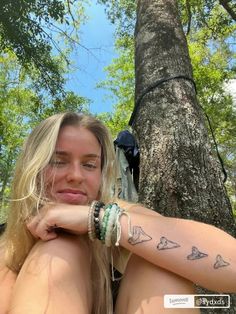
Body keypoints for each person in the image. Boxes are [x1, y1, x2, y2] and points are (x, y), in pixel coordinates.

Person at [0, 112, 235, 314]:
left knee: (156, 260)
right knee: (58, 249)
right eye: (58, 161)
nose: (76, 176)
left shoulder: (116, 211)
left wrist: (99, 220)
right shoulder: (7, 244)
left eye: (90, 165)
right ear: (33, 167)